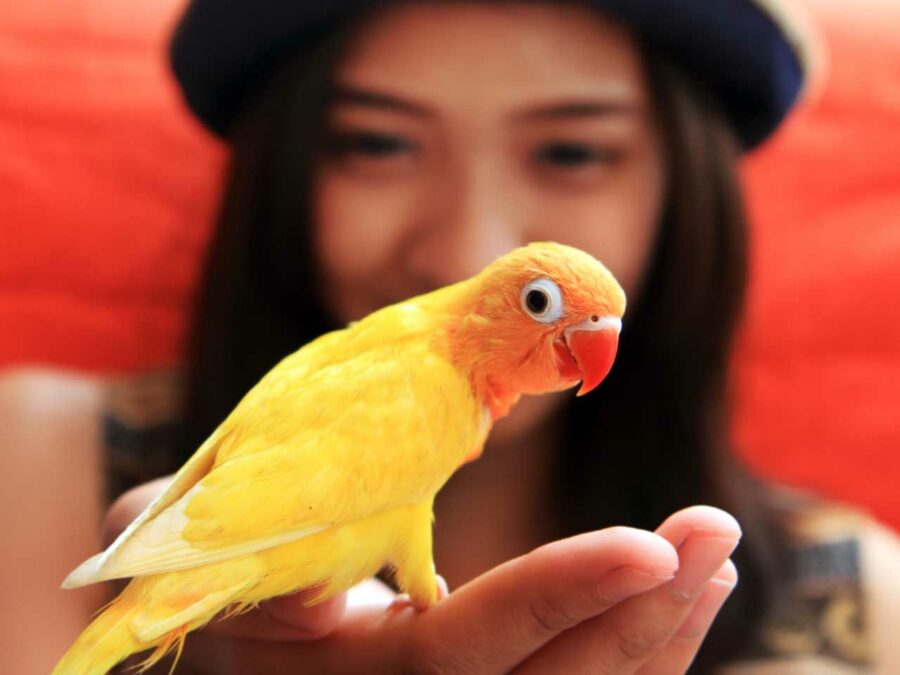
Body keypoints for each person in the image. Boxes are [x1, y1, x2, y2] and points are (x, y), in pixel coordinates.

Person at [90, 0, 900, 673]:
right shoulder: (47, 458)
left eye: (572, 151)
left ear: (687, 194)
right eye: (377, 142)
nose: (469, 253)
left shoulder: (866, 598)